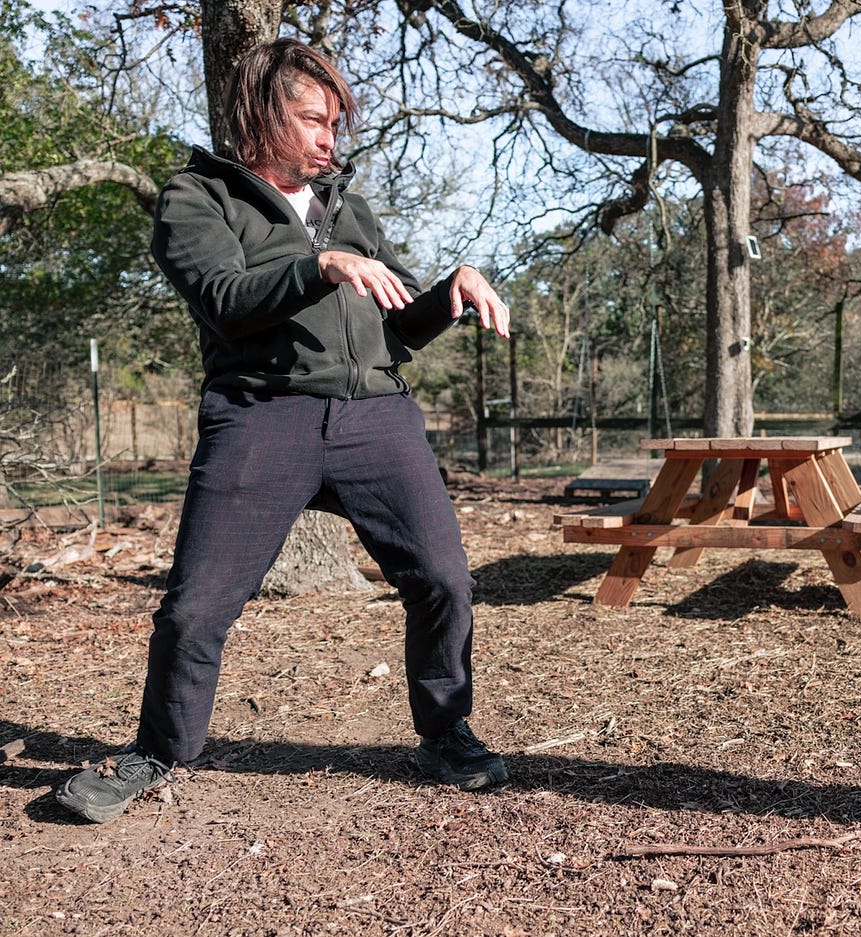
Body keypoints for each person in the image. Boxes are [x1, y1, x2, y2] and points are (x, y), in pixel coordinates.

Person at [55, 39, 512, 823]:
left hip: (376, 415)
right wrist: (319, 265)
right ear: (263, 114)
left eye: (335, 123)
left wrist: (452, 289)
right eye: (313, 120)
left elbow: (395, 327)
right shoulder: (196, 197)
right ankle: (158, 750)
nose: (330, 139)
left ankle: (445, 734)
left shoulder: (348, 208)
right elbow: (226, 298)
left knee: (444, 581)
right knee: (197, 607)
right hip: (262, 414)